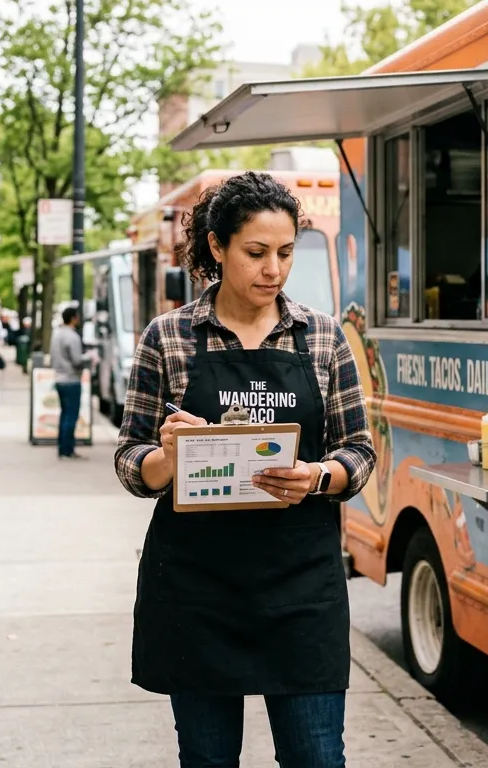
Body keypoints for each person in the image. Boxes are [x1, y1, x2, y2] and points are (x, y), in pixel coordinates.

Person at [115, 171, 377, 768]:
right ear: (217, 247)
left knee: (316, 757)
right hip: (198, 590)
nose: (274, 270)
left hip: (301, 588)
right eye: (256, 253)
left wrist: (317, 477)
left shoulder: (322, 338)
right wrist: (167, 459)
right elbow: (131, 462)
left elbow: (359, 452)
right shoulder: (171, 338)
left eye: (286, 253)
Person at [52, 305, 96, 459]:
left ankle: (62, 447)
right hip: (71, 379)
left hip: (58, 378)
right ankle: (67, 449)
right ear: (73, 318)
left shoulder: (56, 334)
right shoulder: (72, 336)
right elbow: (77, 360)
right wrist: (89, 357)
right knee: (71, 415)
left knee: (64, 414)